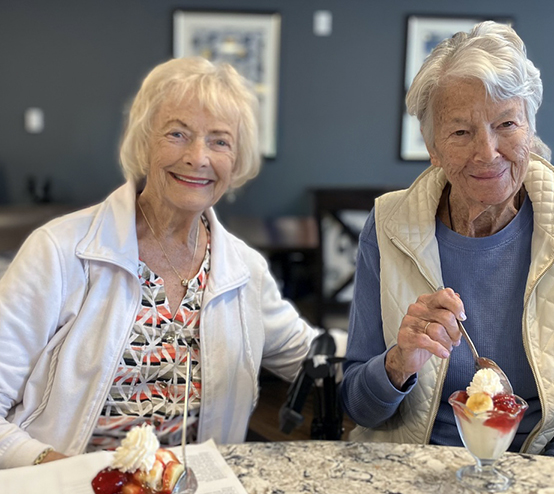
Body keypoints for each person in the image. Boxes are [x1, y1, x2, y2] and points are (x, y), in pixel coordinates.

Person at [0, 57, 317, 468]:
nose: (198, 157)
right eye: (177, 134)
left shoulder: (244, 271)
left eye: (219, 141)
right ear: (143, 141)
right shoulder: (59, 252)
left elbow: (313, 356)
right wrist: (60, 470)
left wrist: (398, 356)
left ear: (236, 160)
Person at [340, 21, 554, 461]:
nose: (488, 151)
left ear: (530, 133)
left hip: (541, 474)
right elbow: (358, 406)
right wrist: (398, 362)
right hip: (412, 470)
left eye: (506, 124)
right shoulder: (387, 223)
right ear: (433, 147)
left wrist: (538, 484)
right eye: (461, 132)